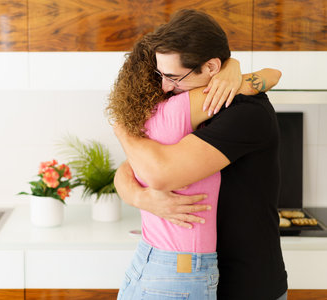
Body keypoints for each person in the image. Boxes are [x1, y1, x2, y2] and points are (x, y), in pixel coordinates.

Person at [110, 9, 287, 300]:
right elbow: (129, 168)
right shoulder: (184, 107)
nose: (166, 87)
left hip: (247, 287)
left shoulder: (246, 113)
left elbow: (160, 172)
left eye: (174, 76)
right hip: (193, 279)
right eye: (161, 75)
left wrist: (121, 128)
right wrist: (143, 198)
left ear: (211, 68)